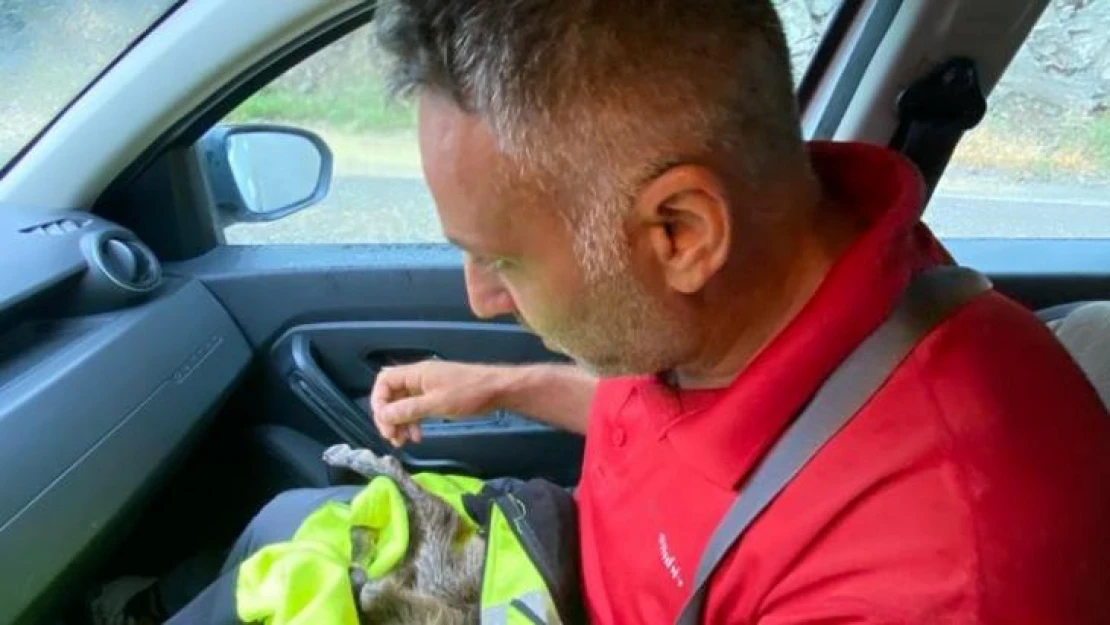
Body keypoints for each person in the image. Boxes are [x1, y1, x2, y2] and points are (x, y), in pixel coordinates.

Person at [157, 0, 1110, 622]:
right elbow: (689, 441)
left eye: (502, 258)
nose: (478, 298)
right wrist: (506, 384)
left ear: (682, 231)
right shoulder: (771, 286)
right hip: (576, 563)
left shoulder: (936, 574)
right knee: (282, 523)